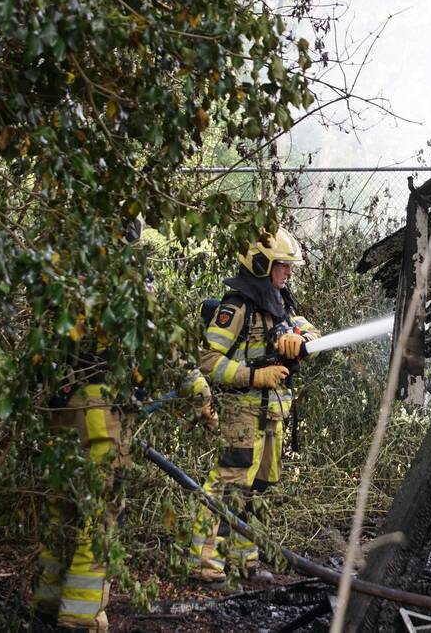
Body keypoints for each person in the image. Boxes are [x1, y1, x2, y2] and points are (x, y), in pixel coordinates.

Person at [30, 221, 214, 631]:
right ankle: (81, 619)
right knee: (99, 516)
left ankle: (45, 606)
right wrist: (198, 390)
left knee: (63, 509)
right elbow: (162, 341)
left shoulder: (60, 267)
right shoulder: (123, 277)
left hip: (61, 409)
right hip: (101, 411)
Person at [189, 227, 319, 582]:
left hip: (274, 413)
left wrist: (299, 338)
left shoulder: (283, 301)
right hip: (243, 412)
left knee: (257, 487)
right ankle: (204, 562)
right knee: (229, 483)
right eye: (283, 266)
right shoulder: (237, 306)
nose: (288, 273)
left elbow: (313, 332)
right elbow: (208, 361)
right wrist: (253, 376)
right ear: (262, 264)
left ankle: (242, 559)